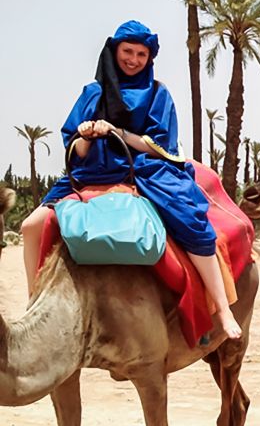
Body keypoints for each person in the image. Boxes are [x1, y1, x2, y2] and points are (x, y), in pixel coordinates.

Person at [20, 20, 242, 339]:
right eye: (128, 51)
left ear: (149, 58)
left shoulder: (157, 93)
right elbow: (76, 149)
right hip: (90, 171)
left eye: (141, 54)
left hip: (143, 167)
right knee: (31, 225)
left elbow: (161, 145)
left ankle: (222, 308)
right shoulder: (92, 92)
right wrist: (86, 134)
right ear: (115, 51)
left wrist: (117, 131)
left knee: (190, 221)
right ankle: (34, 306)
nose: (133, 59)